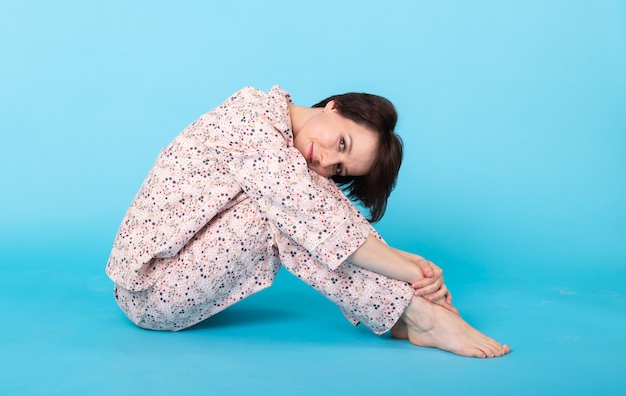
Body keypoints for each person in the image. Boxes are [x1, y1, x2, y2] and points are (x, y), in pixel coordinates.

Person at [106, 85, 510, 358]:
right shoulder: (252, 118)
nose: (328, 160)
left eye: (340, 167)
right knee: (282, 209)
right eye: (341, 144)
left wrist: (407, 262)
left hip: (176, 278)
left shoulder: (283, 147)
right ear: (335, 105)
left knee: (298, 197)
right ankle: (418, 315)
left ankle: (409, 314)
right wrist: (411, 272)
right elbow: (309, 214)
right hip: (149, 291)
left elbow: (319, 211)